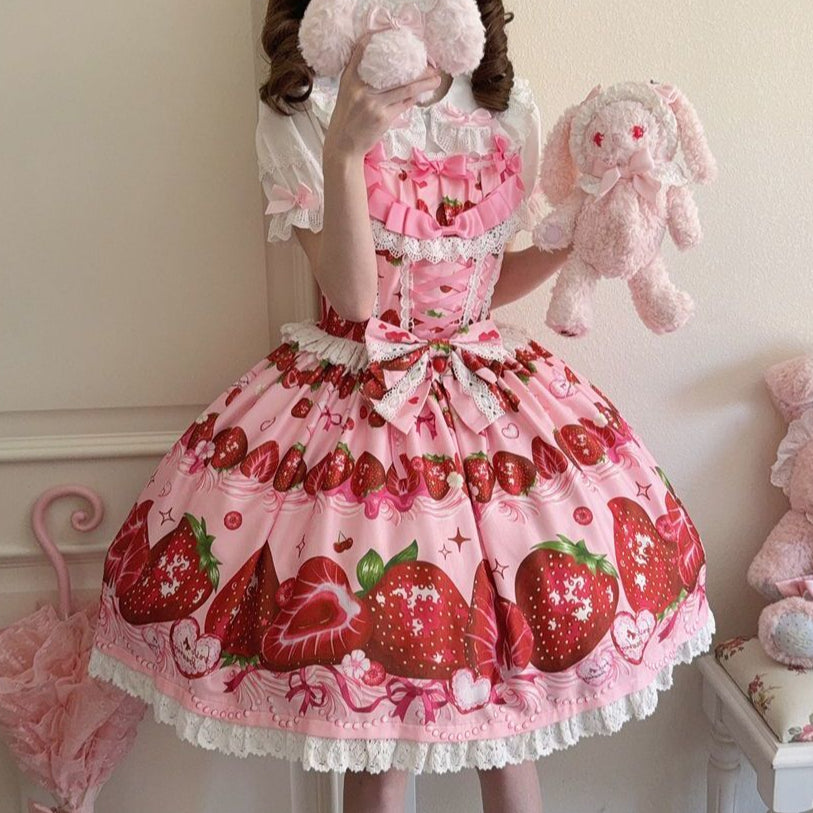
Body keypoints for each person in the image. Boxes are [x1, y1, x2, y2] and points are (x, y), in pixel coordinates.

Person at [87, 2, 716, 811]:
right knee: (375, 730)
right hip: (359, 411)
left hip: (488, 401)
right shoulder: (304, 106)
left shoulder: (501, 105)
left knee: (510, 721)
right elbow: (353, 297)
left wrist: (583, 236)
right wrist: (345, 147)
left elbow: (490, 282)